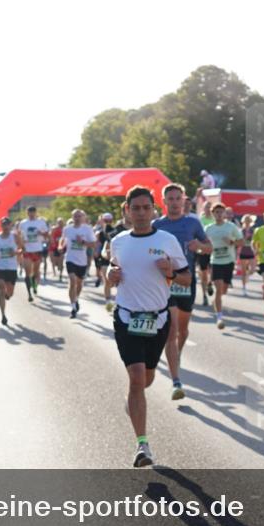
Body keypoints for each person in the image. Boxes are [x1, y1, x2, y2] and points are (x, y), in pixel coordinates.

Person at [107, 186, 191, 467]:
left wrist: (170, 272)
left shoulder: (167, 240)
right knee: (136, 377)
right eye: (136, 208)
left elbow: (187, 279)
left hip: (159, 319)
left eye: (146, 208)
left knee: (147, 380)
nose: (141, 213)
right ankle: (142, 445)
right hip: (127, 318)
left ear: (154, 209)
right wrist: (110, 274)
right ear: (127, 211)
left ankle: (134, 402)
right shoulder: (118, 241)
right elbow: (113, 271)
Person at [153, 183, 212, 400]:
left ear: (183, 200)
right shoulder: (157, 225)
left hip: (186, 280)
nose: (175, 202)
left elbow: (210, 247)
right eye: (171, 199)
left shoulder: (192, 223)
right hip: (164, 282)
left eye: (178, 198)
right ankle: (176, 380)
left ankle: (176, 354)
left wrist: (200, 245)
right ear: (164, 201)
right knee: (172, 330)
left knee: (182, 331)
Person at [204, 203, 243, 330]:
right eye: (216, 212)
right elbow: (203, 243)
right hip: (215, 261)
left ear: (225, 213)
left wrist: (232, 242)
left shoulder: (231, 227)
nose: (219, 214)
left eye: (221, 212)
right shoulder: (208, 228)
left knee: (224, 290)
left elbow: (242, 241)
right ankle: (219, 317)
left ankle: (211, 287)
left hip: (229, 261)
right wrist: (203, 248)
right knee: (219, 289)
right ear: (212, 214)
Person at [0, 217, 24, 326]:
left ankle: (8, 295)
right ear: (1, 225)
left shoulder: (15, 236)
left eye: (7, 224)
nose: (5, 226)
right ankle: (3, 315)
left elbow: (23, 249)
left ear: (10, 225)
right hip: (0, 266)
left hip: (11, 267)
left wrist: (16, 253)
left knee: (10, 292)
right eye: (3, 224)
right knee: (2, 288)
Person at [60, 209, 96, 319]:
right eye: (75, 216)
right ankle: (73, 307)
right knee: (72, 281)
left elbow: (93, 244)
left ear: (83, 218)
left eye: (79, 216)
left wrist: (83, 242)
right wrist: (60, 246)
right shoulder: (67, 229)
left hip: (82, 261)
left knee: (79, 284)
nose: (77, 218)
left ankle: (76, 299)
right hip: (70, 259)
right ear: (72, 217)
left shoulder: (87, 229)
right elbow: (62, 240)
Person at [197, 200, 216, 304]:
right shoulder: (200, 220)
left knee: (212, 272)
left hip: (214, 249)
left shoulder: (215, 220)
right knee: (203, 273)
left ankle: (210, 283)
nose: (208, 209)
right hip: (203, 249)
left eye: (210, 207)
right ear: (203, 209)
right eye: (206, 207)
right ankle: (204, 295)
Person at [238, 214, 257, 295]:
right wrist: (245, 237)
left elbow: (256, 241)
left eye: (249, 221)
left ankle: (247, 276)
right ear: (243, 221)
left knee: (252, 270)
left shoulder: (254, 231)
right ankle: (244, 288)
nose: (247, 222)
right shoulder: (241, 231)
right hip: (243, 251)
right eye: (246, 220)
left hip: (251, 251)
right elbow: (239, 241)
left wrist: (256, 250)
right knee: (243, 271)